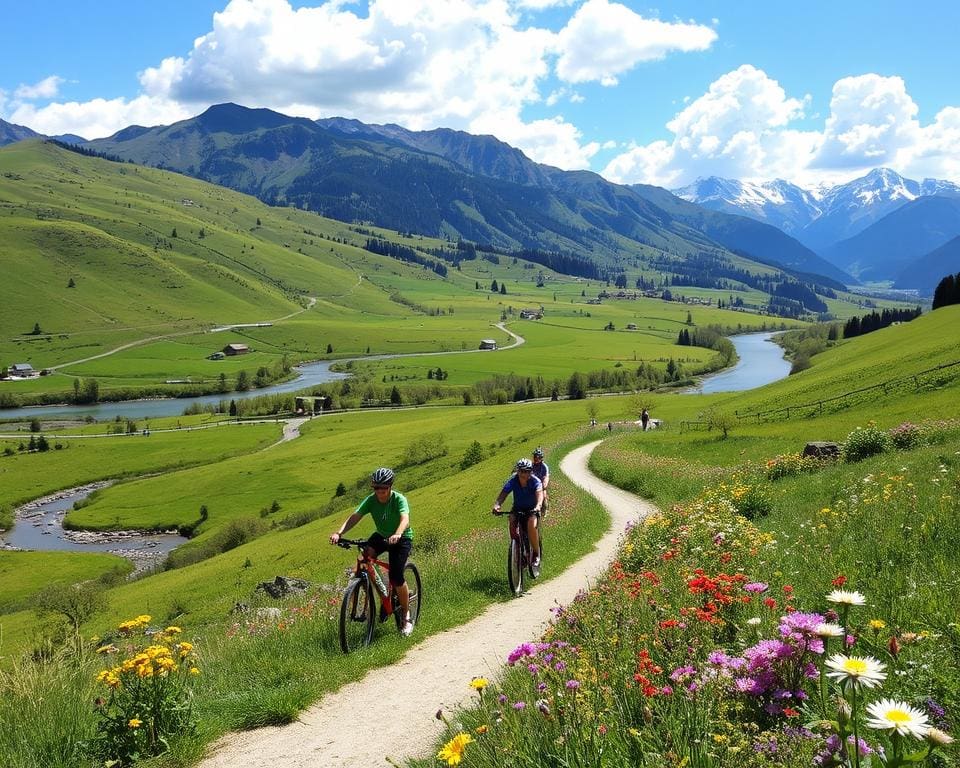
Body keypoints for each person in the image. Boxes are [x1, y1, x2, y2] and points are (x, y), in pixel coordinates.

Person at [330, 467, 415, 636]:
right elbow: (355, 516)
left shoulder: (399, 499)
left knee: (397, 577)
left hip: (402, 537)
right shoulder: (371, 500)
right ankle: (381, 597)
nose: (380, 492)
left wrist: (398, 533)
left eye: (384, 488)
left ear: (390, 487)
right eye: (377, 488)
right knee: (363, 561)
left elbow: (405, 518)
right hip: (382, 535)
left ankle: (406, 615)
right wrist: (339, 533)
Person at [492, 458, 544, 567]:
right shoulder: (513, 480)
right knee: (511, 520)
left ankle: (536, 553)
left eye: (526, 471)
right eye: (521, 471)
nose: (523, 474)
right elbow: (503, 494)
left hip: (532, 510)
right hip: (518, 508)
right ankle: (517, 549)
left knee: (531, 524)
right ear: (518, 471)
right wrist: (497, 505)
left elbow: (540, 496)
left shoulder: (535, 481)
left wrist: (538, 506)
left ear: (530, 472)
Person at [531, 447, 550, 515]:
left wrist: (544, 485)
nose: (536, 458)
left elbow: (546, 477)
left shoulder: (544, 467)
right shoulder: (531, 465)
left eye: (537, 457)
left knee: (544, 496)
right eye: (535, 456)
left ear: (541, 458)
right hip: (532, 485)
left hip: (541, 485)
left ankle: (544, 511)